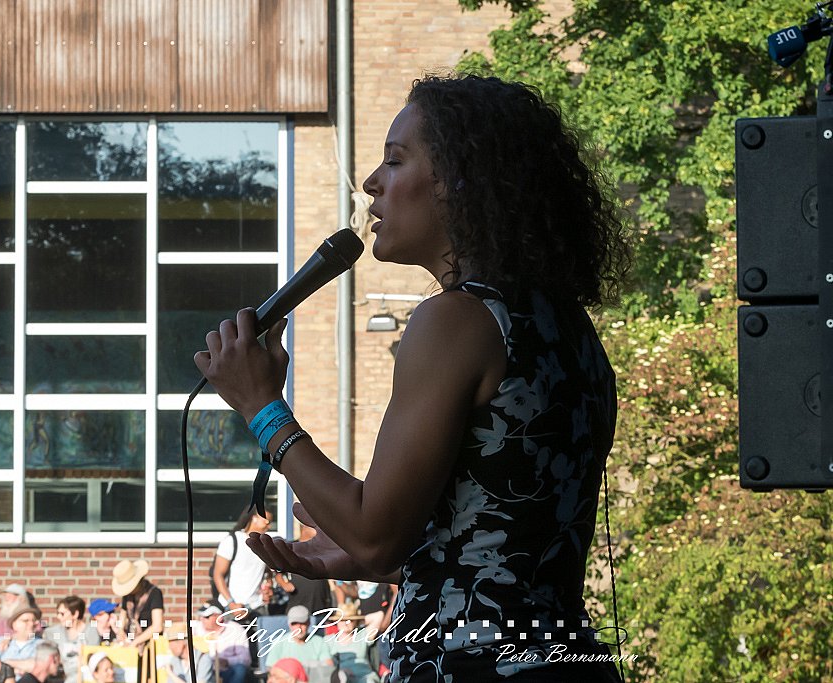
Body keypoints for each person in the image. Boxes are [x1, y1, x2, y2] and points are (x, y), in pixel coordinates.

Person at [197, 73, 630, 681]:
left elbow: (376, 534)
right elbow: (505, 541)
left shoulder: (457, 320)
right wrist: (379, 556)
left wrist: (262, 407)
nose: (372, 182)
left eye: (395, 160)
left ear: (460, 180)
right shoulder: (568, 328)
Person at [43, 596, 100, 683]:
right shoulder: (53, 632)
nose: (58, 617)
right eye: (57, 613)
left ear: (75, 614)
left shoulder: (90, 632)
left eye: (62, 614)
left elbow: (94, 659)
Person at [261, 605, 333, 673]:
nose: (299, 628)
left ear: (308, 623)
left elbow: (328, 667)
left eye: (302, 623)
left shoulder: (319, 642)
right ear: (289, 625)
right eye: (294, 623)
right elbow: (271, 669)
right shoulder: (279, 643)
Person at [110, 559, 164, 649]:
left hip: (150, 646)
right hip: (130, 642)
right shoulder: (127, 595)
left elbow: (157, 626)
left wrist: (135, 642)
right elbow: (123, 613)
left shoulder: (154, 593)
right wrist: (120, 630)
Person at [191, 603, 250, 683]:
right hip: (203, 670)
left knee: (239, 670)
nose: (202, 619)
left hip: (226, 671)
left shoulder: (235, 629)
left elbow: (245, 658)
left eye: (206, 617)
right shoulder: (195, 629)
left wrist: (227, 661)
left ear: (219, 617)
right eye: (201, 616)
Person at [329, 602, 379, 683]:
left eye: (350, 620)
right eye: (342, 620)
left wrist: (359, 621)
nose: (346, 623)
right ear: (336, 621)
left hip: (364, 676)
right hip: (342, 678)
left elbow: (379, 616)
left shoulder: (362, 635)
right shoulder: (329, 640)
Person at [0, 605, 41, 674]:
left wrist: (7, 663)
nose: (31, 624)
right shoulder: (1, 641)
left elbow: (38, 667)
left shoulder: (41, 644)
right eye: (26, 621)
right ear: (14, 625)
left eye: (33, 620)